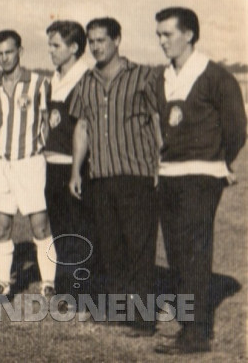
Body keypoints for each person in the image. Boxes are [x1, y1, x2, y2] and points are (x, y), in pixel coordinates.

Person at [151, 8, 246, 354]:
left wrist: (219, 161)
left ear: (189, 34)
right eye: (158, 35)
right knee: (177, 252)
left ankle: (197, 333)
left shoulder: (215, 76)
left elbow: (236, 128)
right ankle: (189, 325)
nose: (162, 41)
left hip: (202, 176)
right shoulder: (164, 76)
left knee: (194, 251)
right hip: (169, 175)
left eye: (168, 34)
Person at [68, 17, 160, 336]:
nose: (95, 47)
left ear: (117, 39)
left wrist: (162, 164)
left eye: (101, 40)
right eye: (91, 41)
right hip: (101, 176)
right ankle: (120, 310)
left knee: (139, 247)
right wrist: (76, 171)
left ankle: (145, 318)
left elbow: (157, 119)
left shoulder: (143, 77)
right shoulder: (86, 82)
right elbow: (82, 127)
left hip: (136, 175)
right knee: (110, 247)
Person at [0, 30, 57, 299]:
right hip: (0, 163)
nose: (4, 58)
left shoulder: (39, 83)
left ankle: (48, 281)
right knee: (0, 227)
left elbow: (47, 122)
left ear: (20, 51)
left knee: (40, 225)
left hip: (30, 163)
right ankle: (3, 283)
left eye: (9, 52)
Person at [42, 21, 96, 297]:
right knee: (60, 228)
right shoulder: (54, 77)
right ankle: (66, 287)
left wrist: (77, 169)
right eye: (49, 44)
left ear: (74, 47)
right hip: (52, 165)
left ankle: (81, 289)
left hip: (74, 167)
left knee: (78, 230)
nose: (50, 50)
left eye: (56, 45)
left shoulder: (86, 78)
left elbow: (84, 128)